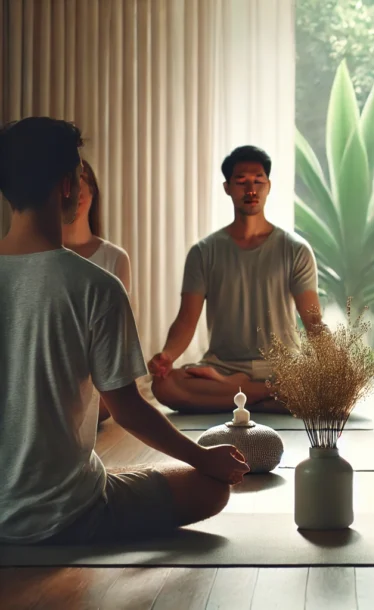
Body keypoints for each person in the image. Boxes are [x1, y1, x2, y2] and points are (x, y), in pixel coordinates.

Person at [0, 117, 248, 545]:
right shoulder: (95, 285)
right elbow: (126, 408)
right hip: (67, 513)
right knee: (211, 489)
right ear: (68, 185)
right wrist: (202, 458)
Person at [149, 145, 322, 414]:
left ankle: (239, 394)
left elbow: (313, 320)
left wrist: (335, 364)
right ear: (227, 188)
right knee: (165, 386)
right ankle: (271, 398)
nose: (250, 189)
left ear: (269, 186)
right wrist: (167, 356)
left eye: (258, 181)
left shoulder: (295, 249)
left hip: (283, 367)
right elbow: (186, 320)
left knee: (328, 388)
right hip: (224, 367)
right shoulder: (204, 252)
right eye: (241, 182)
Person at [62, 158, 134, 424]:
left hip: (95, 377)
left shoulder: (114, 257)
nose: (78, 193)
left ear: (93, 193)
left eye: (85, 185)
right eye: (72, 186)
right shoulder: (39, 256)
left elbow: (117, 340)